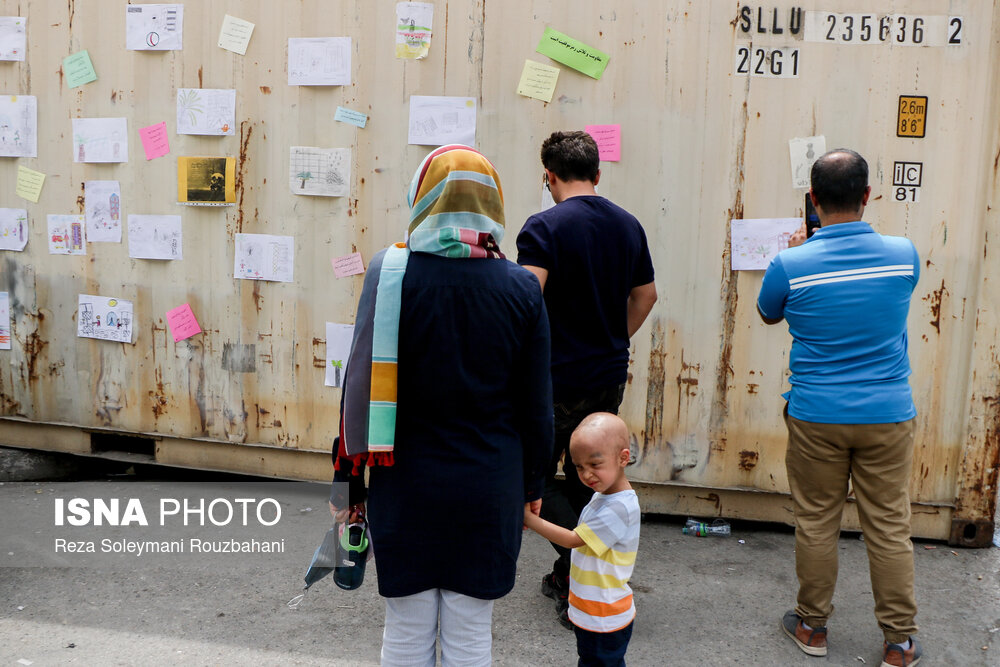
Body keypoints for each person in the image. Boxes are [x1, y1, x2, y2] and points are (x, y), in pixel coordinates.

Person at [328, 145, 554, 666]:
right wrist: (533, 486)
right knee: (470, 633)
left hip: (404, 483)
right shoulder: (522, 287)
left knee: (405, 631)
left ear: (421, 197)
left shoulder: (388, 272)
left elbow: (356, 389)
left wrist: (347, 483)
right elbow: (537, 406)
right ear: (492, 204)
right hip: (489, 485)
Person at [756, 149, 922, 666]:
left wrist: (798, 252)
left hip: (817, 415)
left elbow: (768, 313)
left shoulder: (790, 264)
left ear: (813, 199)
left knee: (817, 521)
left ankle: (812, 628)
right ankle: (899, 643)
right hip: (888, 413)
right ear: (868, 195)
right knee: (889, 526)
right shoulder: (904, 254)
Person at [516, 130, 656, 628]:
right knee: (592, 472)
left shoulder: (543, 227)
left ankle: (578, 563)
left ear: (549, 177)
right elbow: (646, 296)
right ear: (597, 174)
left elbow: (526, 300)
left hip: (553, 378)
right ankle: (579, 565)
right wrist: (614, 338)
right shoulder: (628, 224)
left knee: (533, 478)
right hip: (606, 374)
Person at [523, 412, 640, 667]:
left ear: (623, 458)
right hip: (593, 612)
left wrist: (529, 519)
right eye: (579, 466)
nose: (586, 474)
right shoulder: (604, 495)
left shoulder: (618, 508)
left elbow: (572, 540)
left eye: (595, 464)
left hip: (604, 617)